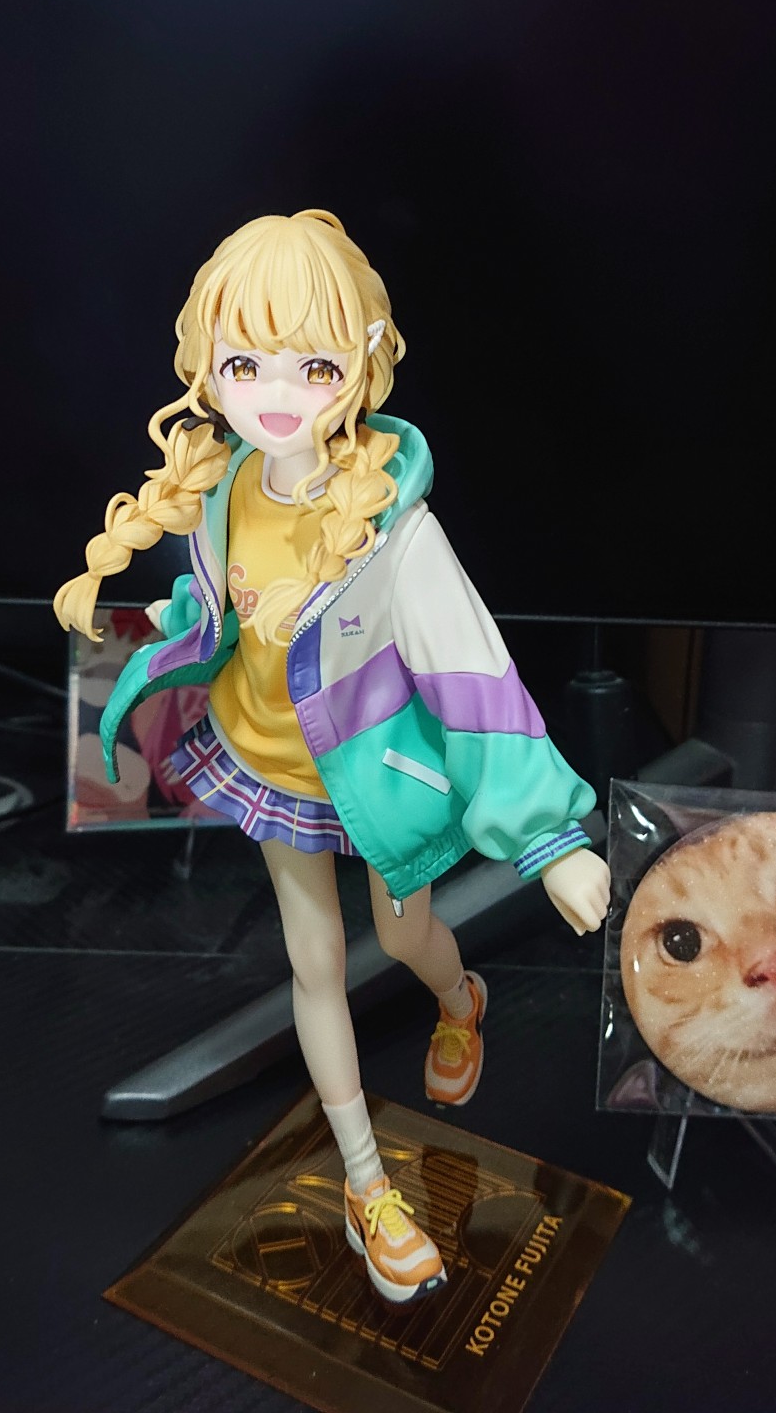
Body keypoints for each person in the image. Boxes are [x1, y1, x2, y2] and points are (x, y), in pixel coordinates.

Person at [55, 210, 610, 1305]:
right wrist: (173, 634)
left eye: (312, 366)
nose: (277, 394)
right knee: (314, 965)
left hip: (380, 783)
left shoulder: (396, 531)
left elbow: (474, 673)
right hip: (272, 770)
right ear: (205, 364)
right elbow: (221, 601)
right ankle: (367, 1184)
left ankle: (461, 998)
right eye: (244, 364)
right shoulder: (223, 488)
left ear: (360, 361)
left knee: (403, 938)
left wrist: (552, 842)